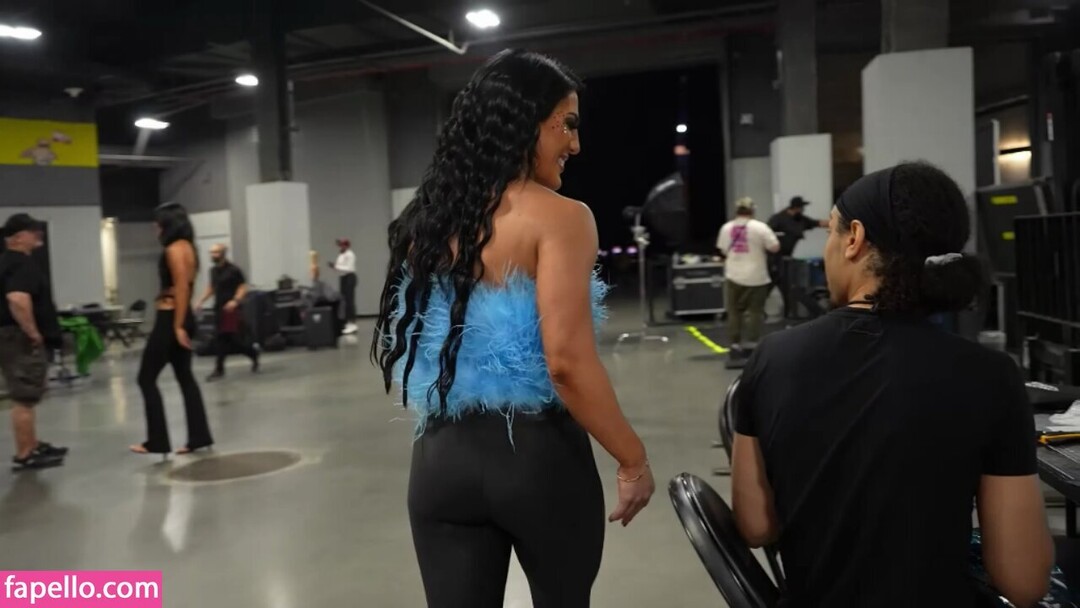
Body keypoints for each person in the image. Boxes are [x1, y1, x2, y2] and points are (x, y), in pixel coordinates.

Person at [371, 49, 654, 608]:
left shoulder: (429, 218)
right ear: (525, 122)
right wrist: (632, 458)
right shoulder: (562, 217)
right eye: (566, 124)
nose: (576, 144)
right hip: (538, 456)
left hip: (440, 458)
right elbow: (566, 363)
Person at [731, 162, 1053, 607]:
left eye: (831, 230)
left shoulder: (772, 358)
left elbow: (756, 527)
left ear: (854, 238)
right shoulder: (990, 374)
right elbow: (1024, 582)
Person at [130, 202, 213, 456]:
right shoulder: (189, 248)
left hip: (170, 318)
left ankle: (157, 441)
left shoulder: (174, 249)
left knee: (146, 378)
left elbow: (181, 287)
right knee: (185, 376)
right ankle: (199, 437)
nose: (155, 228)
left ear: (168, 224)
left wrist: (177, 326)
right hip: (181, 315)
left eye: (158, 224)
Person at [0, 213, 68, 470]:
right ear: (18, 238)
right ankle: (25, 454)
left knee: (28, 394)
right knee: (24, 397)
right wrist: (32, 332)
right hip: (19, 338)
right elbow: (17, 299)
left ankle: (32, 443)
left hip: (11, 336)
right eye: (32, 232)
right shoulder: (20, 264)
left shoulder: (10, 262)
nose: (37, 236)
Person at [716, 197, 780, 354]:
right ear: (752, 210)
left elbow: (723, 250)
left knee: (734, 311)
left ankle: (734, 343)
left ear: (736, 211)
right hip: (756, 276)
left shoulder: (726, 228)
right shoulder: (760, 227)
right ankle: (752, 343)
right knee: (755, 312)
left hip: (733, 275)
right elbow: (774, 247)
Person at [196, 244, 259, 381]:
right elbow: (211, 288)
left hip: (231, 309)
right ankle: (222, 368)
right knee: (222, 339)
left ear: (223, 253)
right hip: (219, 308)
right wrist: (201, 300)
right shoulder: (213, 271)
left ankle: (250, 354)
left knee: (229, 339)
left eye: (216, 252)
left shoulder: (234, 270)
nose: (213, 255)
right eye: (211, 253)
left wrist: (235, 301)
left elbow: (243, 287)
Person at [767, 196, 829, 315]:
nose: (803, 210)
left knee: (788, 288)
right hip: (773, 259)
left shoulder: (800, 219)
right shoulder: (778, 219)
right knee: (772, 286)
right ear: (796, 208)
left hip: (787, 260)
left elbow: (818, 223)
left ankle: (790, 313)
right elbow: (766, 234)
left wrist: (837, 223)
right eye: (801, 207)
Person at [328, 238, 357, 335]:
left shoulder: (350, 254)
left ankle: (352, 323)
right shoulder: (341, 255)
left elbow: (349, 268)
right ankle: (346, 322)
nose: (341, 246)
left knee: (349, 300)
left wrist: (336, 267)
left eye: (342, 244)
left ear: (347, 245)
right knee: (344, 301)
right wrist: (334, 266)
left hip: (349, 277)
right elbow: (339, 267)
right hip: (343, 278)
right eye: (340, 244)